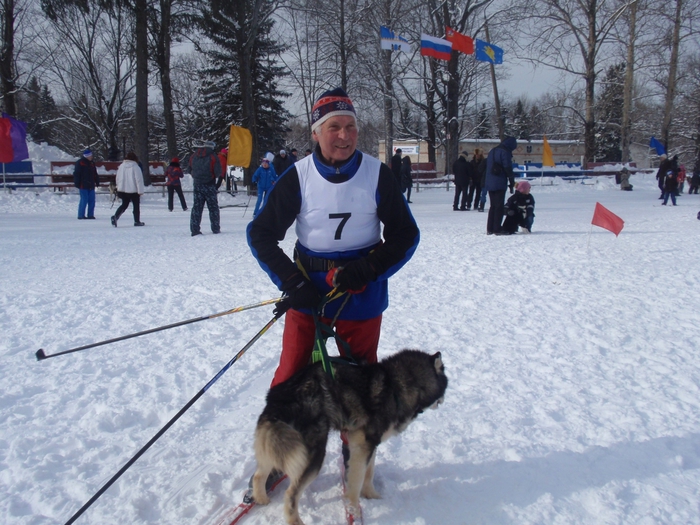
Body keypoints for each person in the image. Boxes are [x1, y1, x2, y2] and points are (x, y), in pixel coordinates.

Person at [247, 87, 419, 390]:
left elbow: (405, 234)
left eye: (351, 126)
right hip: (309, 288)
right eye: (334, 127)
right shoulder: (298, 176)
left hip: (361, 289)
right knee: (291, 378)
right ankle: (284, 435)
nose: (344, 135)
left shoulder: (377, 173)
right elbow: (260, 234)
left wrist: (369, 269)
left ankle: (354, 439)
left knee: (362, 385)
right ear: (316, 132)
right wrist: (292, 282)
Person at [189, 141, 223, 236]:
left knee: (197, 207)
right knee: (213, 208)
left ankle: (194, 229)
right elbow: (217, 171)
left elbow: (189, 169)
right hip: (209, 184)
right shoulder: (213, 156)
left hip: (197, 184)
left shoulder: (193, 156)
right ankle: (215, 228)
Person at [484, 136, 517, 235]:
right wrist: (511, 180)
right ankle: (497, 228)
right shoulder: (505, 152)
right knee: (499, 206)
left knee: (493, 206)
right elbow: (507, 167)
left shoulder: (492, 151)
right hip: (499, 182)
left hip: (490, 182)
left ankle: (490, 228)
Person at [111, 151, 145, 227]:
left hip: (123, 189)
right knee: (136, 206)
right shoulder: (136, 167)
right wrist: (140, 191)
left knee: (124, 205)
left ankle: (115, 216)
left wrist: (118, 187)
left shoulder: (121, 166)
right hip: (133, 190)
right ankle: (136, 221)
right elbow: (139, 179)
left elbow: (118, 178)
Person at [73, 149, 100, 220]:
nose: (92, 157)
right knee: (84, 200)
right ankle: (81, 215)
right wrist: (77, 183)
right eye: (90, 155)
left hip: (91, 184)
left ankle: (90, 215)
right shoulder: (80, 163)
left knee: (92, 200)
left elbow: (95, 173)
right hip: (83, 184)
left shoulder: (92, 163)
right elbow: (77, 174)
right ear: (87, 156)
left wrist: (97, 181)